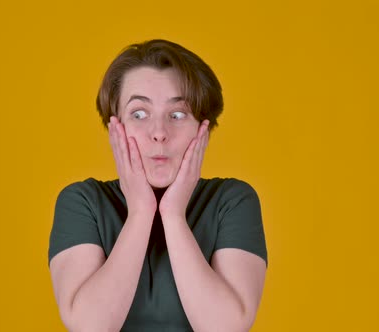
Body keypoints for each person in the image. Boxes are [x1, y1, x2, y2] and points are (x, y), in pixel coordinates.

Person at [48, 39, 267, 332]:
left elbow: (225, 327)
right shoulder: (83, 202)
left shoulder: (232, 201)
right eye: (139, 113)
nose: (159, 133)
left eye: (177, 114)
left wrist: (174, 215)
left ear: (204, 128)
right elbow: (90, 326)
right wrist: (140, 211)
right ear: (115, 126)